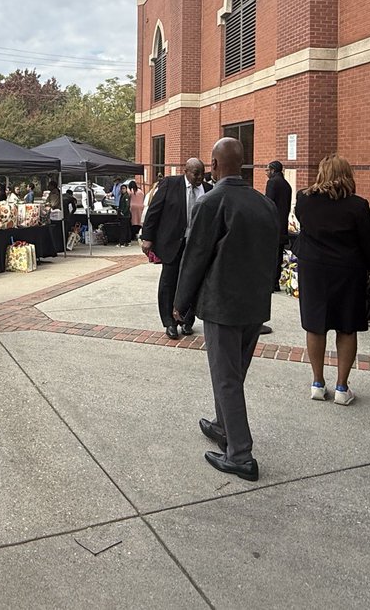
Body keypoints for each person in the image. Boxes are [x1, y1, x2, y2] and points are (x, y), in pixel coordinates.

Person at [174, 137, 280, 482]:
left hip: (222, 305)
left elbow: (195, 256)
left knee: (226, 377)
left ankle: (240, 455)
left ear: (215, 165)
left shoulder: (211, 202)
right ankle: (224, 426)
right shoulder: (265, 204)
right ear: (243, 163)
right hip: (255, 305)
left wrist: (181, 302)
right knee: (233, 375)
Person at [295, 155, 370, 405]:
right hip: (348, 270)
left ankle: (317, 383)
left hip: (313, 268)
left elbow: (303, 224)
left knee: (315, 325)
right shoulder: (357, 205)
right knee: (346, 326)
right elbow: (368, 242)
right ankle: (342, 387)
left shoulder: (304, 199)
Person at [140, 158, 210, 339]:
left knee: (193, 282)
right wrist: (147, 237)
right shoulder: (170, 184)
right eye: (196, 174)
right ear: (186, 171)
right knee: (169, 282)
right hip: (172, 243)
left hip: (196, 245)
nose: (200, 178)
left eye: (202, 174)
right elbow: (154, 211)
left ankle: (187, 320)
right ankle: (169, 322)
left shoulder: (208, 190)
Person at [115, 178, 132, 246]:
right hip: (125, 215)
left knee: (124, 229)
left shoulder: (126, 196)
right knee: (126, 228)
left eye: (124, 188)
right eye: (121, 189)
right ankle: (127, 241)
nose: (122, 190)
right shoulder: (122, 196)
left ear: (126, 189)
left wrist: (123, 212)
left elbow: (127, 205)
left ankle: (122, 242)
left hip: (125, 215)